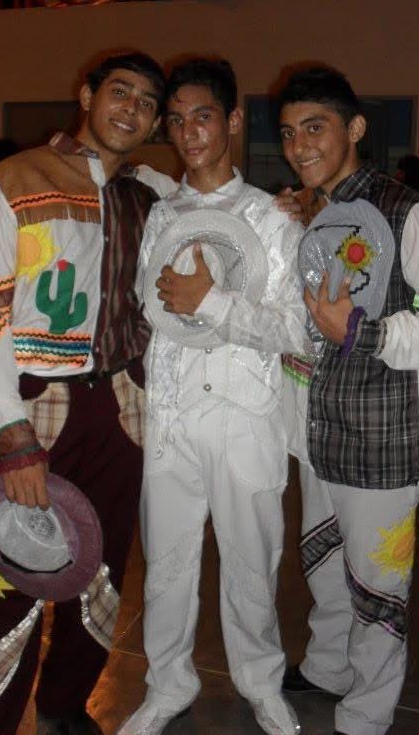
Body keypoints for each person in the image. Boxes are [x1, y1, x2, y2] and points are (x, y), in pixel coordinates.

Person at [0, 52, 177, 735]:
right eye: (120, 92)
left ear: (155, 122)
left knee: (102, 565)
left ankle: (65, 704)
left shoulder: (150, 195)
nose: (131, 109)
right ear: (86, 95)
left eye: (146, 102)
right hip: (37, 405)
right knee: (14, 570)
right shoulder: (15, 180)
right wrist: (11, 432)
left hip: (121, 406)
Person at [277, 67, 419, 735]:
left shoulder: (409, 213)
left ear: (355, 128)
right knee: (324, 561)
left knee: (377, 584)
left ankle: (366, 712)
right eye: (288, 132)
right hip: (319, 429)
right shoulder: (312, 215)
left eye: (315, 127)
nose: (299, 146)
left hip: (386, 436)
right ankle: (328, 667)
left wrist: (365, 333)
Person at [117, 58, 305, 735]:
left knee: (253, 560)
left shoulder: (272, 217)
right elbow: (147, 305)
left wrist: (215, 303)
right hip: (170, 413)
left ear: (232, 120)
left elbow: (296, 331)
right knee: (165, 563)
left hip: (244, 414)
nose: (189, 132)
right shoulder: (161, 213)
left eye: (203, 116)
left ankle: (261, 683)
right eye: (176, 120)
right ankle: (167, 683)